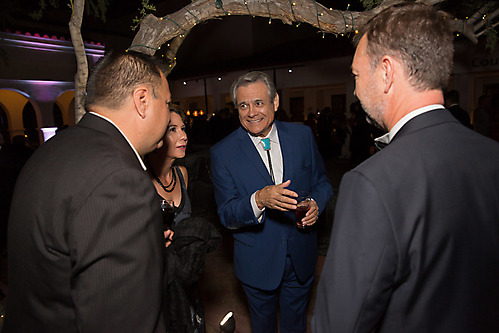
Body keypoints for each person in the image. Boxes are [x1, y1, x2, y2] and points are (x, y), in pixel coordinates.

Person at [312, 3, 499, 333]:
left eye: (356, 75)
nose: (355, 89)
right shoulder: (492, 153)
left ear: (386, 72)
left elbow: (339, 324)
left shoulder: (371, 182)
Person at [3, 50, 171, 333]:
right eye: (167, 103)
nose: (168, 114)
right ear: (142, 101)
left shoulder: (52, 149)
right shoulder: (121, 178)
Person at [210, 71, 333, 333]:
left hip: (301, 254)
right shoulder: (222, 153)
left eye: (258, 103)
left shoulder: (302, 136)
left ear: (275, 102)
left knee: (295, 327)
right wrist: (259, 200)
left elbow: (323, 182)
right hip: (257, 261)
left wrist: (314, 203)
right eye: (243, 105)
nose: (252, 112)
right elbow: (226, 213)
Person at [146, 105, 220, 332]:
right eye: (173, 130)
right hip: (157, 283)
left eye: (183, 128)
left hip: (187, 279)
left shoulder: (182, 174)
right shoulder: (142, 181)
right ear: (156, 135)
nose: (184, 136)